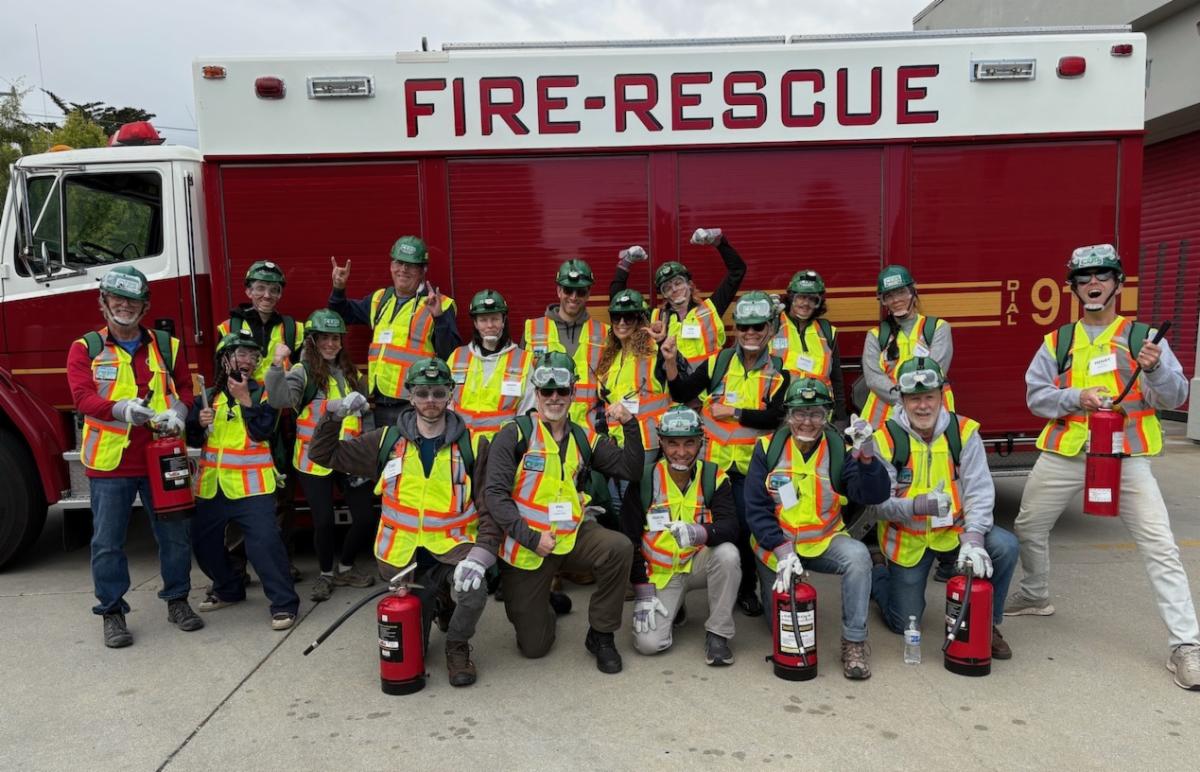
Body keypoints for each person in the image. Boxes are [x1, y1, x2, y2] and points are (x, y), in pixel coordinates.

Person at [1005, 244, 1199, 691]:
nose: (1094, 284)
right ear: (1073, 287)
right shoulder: (1058, 341)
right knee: (1029, 526)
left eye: (1103, 276)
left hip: (1125, 458)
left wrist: (1153, 372)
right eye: (1084, 278)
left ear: (1117, 285)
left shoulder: (1145, 339)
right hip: (1065, 454)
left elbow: (1174, 399)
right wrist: (1076, 397)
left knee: (1161, 547)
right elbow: (1036, 397)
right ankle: (1035, 594)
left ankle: (1186, 645)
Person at [308, 357, 489, 687]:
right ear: (410, 396)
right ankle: (434, 601)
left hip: (452, 552)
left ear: (451, 394)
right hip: (402, 559)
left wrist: (480, 559)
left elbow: (489, 509)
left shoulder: (473, 444)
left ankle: (457, 645)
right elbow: (323, 455)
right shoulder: (385, 441)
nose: (430, 401)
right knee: (412, 650)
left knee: (474, 590)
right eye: (422, 393)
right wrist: (334, 414)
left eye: (438, 392)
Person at [478, 352, 643, 673]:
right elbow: (494, 496)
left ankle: (601, 634)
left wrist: (630, 424)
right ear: (536, 393)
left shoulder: (583, 436)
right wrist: (531, 538)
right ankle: (543, 603)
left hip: (572, 536)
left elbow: (631, 469)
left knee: (619, 548)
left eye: (562, 391)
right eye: (546, 391)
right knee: (534, 647)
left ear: (573, 393)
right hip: (529, 547)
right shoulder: (513, 434)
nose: (554, 398)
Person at [67, 266, 200, 648]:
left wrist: (178, 411)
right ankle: (112, 612)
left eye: (133, 300)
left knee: (174, 536)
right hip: (111, 463)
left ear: (145, 306)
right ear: (103, 302)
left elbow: (186, 390)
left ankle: (177, 601)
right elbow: (81, 399)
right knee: (108, 542)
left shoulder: (166, 344)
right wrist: (120, 409)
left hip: (162, 458)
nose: (124, 306)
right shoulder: (86, 348)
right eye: (117, 298)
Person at [867, 358, 1016, 661]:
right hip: (910, 540)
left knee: (1005, 546)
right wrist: (916, 506)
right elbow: (878, 507)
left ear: (942, 395)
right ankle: (878, 573)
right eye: (914, 399)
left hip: (955, 533)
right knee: (902, 622)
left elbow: (979, 490)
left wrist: (974, 538)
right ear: (902, 400)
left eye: (929, 397)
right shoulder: (884, 438)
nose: (922, 406)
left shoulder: (964, 432)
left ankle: (987, 623)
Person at [744, 379, 890, 679]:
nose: (807, 422)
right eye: (799, 413)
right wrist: (782, 550)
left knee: (859, 557)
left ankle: (854, 641)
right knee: (782, 625)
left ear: (826, 416)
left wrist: (866, 460)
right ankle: (775, 584)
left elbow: (874, 495)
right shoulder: (767, 449)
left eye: (815, 414)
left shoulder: (840, 450)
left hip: (824, 543)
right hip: (777, 551)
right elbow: (756, 510)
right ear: (787, 415)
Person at [665, 290, 791, 617]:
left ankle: (745, 590)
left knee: (748, 529)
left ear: (771, 328)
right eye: (744, 327)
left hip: (751, 468)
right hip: (714, 466)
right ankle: (680, 590)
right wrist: (669, 360)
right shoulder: (719, 362)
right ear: (735, 329)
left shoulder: (780, 372)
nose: (750, 333)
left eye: (758, 327)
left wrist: (734, 411)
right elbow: (681, 392)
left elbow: (775, 416)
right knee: (704, 525)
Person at [186, 332, 300, 631]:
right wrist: (198, 423)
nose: (247, 361)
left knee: (264, 546)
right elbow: (192, 436)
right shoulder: (207, 395)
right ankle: (228, 588)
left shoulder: (264, 392)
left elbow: (264, 430)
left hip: (253, 487)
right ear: (224, 360)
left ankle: (284, 604)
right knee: (202, 543)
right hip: (213, 486)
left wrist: (245, 400)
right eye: (240, 354)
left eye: (253, 356)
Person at [264, 309, 378, 603]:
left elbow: (366, 416)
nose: (330, 344)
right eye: (324, 338)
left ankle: (346, 568)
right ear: (312, 341)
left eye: (335, 338)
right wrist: (277, 363)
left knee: (365, 518)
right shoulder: (302, 372)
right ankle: (326, 575)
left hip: (350, 456)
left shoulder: (354, 374)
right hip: (314, 458)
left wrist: (368, 451)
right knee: (324, 522)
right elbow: (278, 400)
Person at [620, 406, 740, 665]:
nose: (681, 452)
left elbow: (731, 526)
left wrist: (700, 532)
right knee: (648, 645)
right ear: (661, 442)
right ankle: (675, 606)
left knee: (729, 554)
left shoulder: (714, 476)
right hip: (661, 573)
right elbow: (629, 539)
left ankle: (718, 633)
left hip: (698, 564)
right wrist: (642, 589)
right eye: (672, 443)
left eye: (689, 443)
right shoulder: (644, 479)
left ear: (701, 442)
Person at [217, 260, 302, 583]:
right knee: (239, 494)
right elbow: (219, 371)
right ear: (248, 291)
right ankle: (236, 569)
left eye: (274, 289)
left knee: (282, 494)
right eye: (261, 288)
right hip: (240, 416)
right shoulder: (228, 328)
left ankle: (283, 563)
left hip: (279, 419)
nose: (267, 295)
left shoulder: (293, 329)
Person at [328, 235, 460, 428]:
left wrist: (439, 317)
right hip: (379, 404)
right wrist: (338, 289)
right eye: (398, 262)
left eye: (411, 265)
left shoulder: (442, 304)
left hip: (416, 404)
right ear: (391, 265)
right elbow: (341, 315)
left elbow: (450, 353)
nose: (403, 269)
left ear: (423, 270)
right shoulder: (380, 299)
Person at [610, 227, 746, 366]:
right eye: (667, 288)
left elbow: (737, 271)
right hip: (673, 386)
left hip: (709, 386)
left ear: (689, 284)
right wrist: (625, 263)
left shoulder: (711, 308)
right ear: (663, 294)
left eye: (678, 283)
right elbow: (618, 303)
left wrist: (718, 241)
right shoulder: (655, 317)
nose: (674, 289)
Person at [860, 265, 955, 428]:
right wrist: (904, 399)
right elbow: (873, 378)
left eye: (901, 292)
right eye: (889, 296)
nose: (896, 300)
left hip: (928, 411)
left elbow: (935, 372)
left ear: (912, 292)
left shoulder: (938, 328)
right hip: (884, 417)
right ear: (884, 301)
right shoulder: (875, 336)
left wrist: (913, 401)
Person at [523, 259, 609, 436]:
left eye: (581, 291)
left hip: (589, 432)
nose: (574, 297)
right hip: (543, 430)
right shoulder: (533, 329)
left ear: (588, 294)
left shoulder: (604, 333)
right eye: (568, 290)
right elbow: (523, 385)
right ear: (559, 291)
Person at [596, 289, 672, 465]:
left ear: (640, 320)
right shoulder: (611, 356)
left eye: (629, 317)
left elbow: (680, 387)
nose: (621, 323)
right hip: (618, 440)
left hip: (648, 442)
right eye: (616, 317)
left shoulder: (655, 350)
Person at [447, 289, 532, 443]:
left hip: (503, 448)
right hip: (461, 446)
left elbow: (527, 409)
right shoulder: (457, 357)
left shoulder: (523, 360)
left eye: (495, 319)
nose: (490, 325)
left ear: (503, 320)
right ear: (475, 323)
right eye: (483, 320)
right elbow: (447, 404)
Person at [769, 270, 848, 426]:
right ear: (791, 297)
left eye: (812, 299)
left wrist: (841, 418)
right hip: (783, 414)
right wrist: (767, 316)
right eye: (801, 297)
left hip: (820, 414)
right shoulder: (773, 324)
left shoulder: (827, 331)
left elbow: (836, 379)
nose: (805, 304)